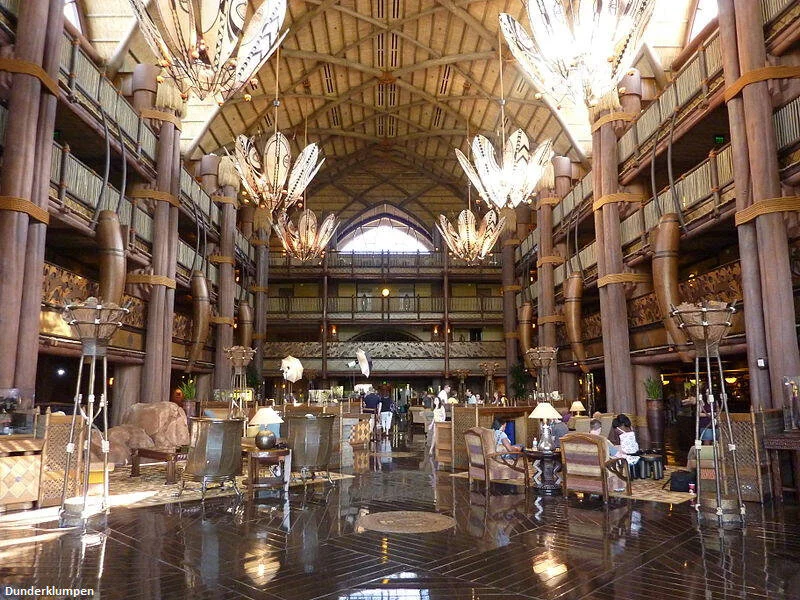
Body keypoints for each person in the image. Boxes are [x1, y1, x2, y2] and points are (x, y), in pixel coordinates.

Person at [589, 418, 627, 492]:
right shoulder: (603, 441)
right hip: (601, 467)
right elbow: (617, 454)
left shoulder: (582, 440)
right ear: (599, 429)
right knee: (619, 461)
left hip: (584, 468)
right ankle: (618, 486)